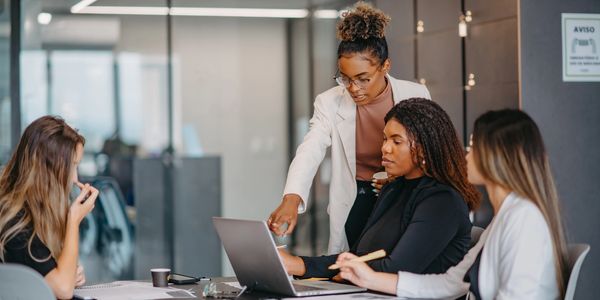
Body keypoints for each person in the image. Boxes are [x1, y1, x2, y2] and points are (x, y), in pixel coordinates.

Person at [336, 109, 569, 300]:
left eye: (474, 147)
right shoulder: (507, 217)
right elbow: (450, 283)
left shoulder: (524, 220)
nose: (467, 155)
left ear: (496, 157)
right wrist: (367, 277)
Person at [268, 2, 431, 254]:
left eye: (363, 79)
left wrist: (402, 173)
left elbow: (431, 151)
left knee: (398, 261)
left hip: (404, 194)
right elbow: (310, 150)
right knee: (351, 264)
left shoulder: (416, 95)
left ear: (385, 66)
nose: (353, 88)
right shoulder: (329, 102)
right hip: (358, 196)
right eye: (345, 78)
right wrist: (292, 198)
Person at [278, 98, 480, 279]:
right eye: (385, 139)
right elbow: (358, 256)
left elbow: (397, 270)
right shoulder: (392, 189)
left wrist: (348, 272)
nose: (385, 148)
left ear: (425, 147)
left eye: (396, 141)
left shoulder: (442, 201)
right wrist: (298, 265)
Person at [0, 116, 99, 299]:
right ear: (48, 169)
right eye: (72, 166)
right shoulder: (15, 223)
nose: (75, 178)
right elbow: (63, 290)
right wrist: (74, 220)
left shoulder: (33, 211)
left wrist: (69, 274)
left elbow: (57, 279)